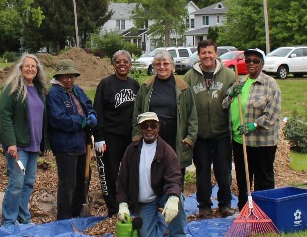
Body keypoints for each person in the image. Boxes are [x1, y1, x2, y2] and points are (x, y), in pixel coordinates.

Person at [114, 112, 189, 237]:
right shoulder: (131, 151)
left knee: (179, 198)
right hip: (145, 202)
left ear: (158, 128)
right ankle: (162, 221)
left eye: (153, 125)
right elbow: (122, 179)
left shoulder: (167, 151)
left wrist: (173, 198)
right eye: (145, 126)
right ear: (140, 129)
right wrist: (123, 204)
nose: (149, 129)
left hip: (160, 195)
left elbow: (174, 178)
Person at [222, 48, 282, 205]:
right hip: (240, 141)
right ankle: (244, 209)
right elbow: (224, 105)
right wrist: (231, 95)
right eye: (248, 60)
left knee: (263, 178)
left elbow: (273, 114)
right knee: (244, 179)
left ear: (262, 63)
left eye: (256, 61)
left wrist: (254, 125)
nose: (251, 63)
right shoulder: (240, 82)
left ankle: (265, 209)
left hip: (262, 142)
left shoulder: (270, 85)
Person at [184, 39, 237, 218]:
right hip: (200, 135)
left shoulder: (229, 75)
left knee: (224, 171)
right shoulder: (190, 77)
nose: (207, 56)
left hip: (222, 133)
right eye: (203, 53)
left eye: (210, 52)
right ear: (198, 55)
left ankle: (225, 205)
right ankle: (204, 206)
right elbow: (184, 104)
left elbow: (235, 103)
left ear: (216, 54)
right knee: (202, 172)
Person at [0, 54, 48, 226]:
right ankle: (8, 221)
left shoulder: (39, 89)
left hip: (33, 144)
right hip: (18, 146)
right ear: (21, 68)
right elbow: (5, 115)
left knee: (28, 183)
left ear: (37, 70)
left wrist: (44, 143)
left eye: (33, 66)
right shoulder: (13, 88)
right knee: (17, 182)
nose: (30, 69)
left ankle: (23, 217)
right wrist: (10, 142)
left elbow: (43, 118)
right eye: (27, 66)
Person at [132, 50, 197, 181]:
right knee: (153, 172)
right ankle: (154, 200)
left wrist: (190, 138)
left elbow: (192, 114)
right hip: (151, 134)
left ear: (172, 65)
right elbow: (137, 113)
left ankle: (175, 199)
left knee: (175, 173)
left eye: (166, 63)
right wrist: (136, 135)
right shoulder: (146, 87)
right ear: (154, 66)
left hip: (176, 135)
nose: (162, 67)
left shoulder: (183, 88)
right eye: (158, 64)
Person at [46, 59, 96, 220]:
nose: (69, 79)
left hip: (81, 142)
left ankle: (76, 212)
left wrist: (92, 114)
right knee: (68, 183)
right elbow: (58, 119)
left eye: (72, 76)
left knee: (81, 179)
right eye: (65, 76)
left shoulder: (76, 90)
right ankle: (64, 217)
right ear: (58, 77)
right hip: (65, 144)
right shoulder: (54, 94)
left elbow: (88, 104)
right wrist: (81, 121)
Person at [92, 50, 140, 216]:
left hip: (130, 138)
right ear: (113, 65)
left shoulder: (134, 85)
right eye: (118, 61)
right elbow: (97, 110)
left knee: (132, 173)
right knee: (111, 174)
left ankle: (131, 205)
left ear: (130, 65)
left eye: (125, 61)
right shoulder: (105, 84)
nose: (122, 64)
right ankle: (113, 208)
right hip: (110, 137)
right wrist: (98, 136)